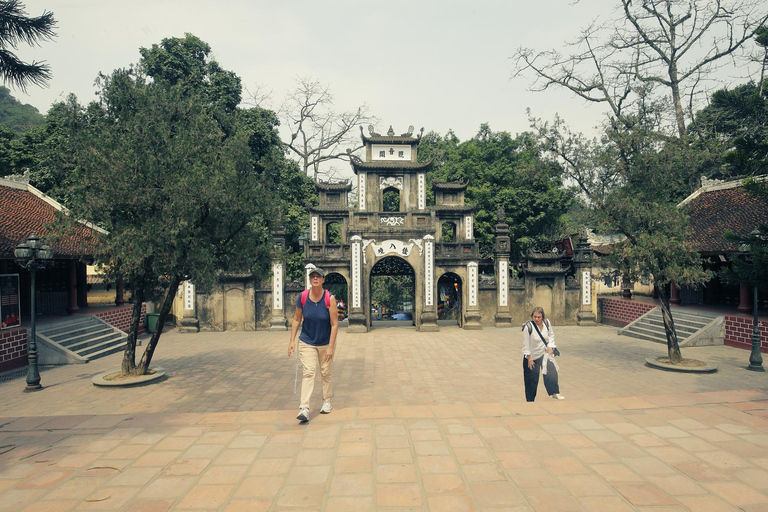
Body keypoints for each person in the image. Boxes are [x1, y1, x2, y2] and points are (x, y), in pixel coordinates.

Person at [288, 268, 339, 422]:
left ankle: (327, 401)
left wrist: (331, 346)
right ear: (310, 280)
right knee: (309, 372)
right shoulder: (303, 297)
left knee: (325, 372)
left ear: (323, 280)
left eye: (319, 276)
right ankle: (304, 407)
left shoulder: (329, 298)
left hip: (325, 342)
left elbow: (335, 324)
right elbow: (297, 319)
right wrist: (291, 340)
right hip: (307, 341)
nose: (315, 279)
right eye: (313, 276)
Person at [522, 306, 564, 401]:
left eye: (538, 317)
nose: (536, 319)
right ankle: (530, 400)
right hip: (532, 357)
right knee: (531, 381)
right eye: (534, 317)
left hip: (544, 354)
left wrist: (550, 346)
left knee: (551, 371)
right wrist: (529, 358)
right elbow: (525, 344)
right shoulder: (528, 327)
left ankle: (555, 392)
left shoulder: (546, 323)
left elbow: (551, 335)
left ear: (543, 317)